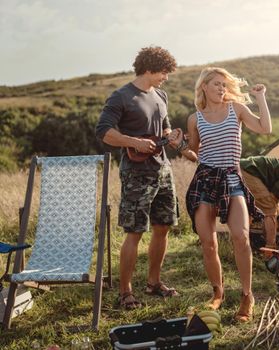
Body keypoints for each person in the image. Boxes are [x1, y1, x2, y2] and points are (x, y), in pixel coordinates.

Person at [96, 46, 187, 309]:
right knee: (134, 232)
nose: (166, 77)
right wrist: (133, 141)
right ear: (148, 68)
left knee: (163, 226)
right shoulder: (121, 97)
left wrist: (170, 136)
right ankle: (126, 291)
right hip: (136, 173)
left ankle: (154, 282)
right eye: (163, 72)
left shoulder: (161, 95)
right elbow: (104, 131)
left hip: (163, 169)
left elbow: (165, 124)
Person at [185, 67, 271, 322]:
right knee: (208, 242)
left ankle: (247, 295)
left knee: (241, 236)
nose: (222, 89)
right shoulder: (195, 118)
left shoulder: (236, 110)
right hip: (205, 180)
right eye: (217, 85)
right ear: (204, 87)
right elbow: (193, 152)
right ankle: (217, 293)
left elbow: (265, 128)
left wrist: (261, 98)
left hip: (232, 179)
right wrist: (178, 143)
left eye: (225, 85)